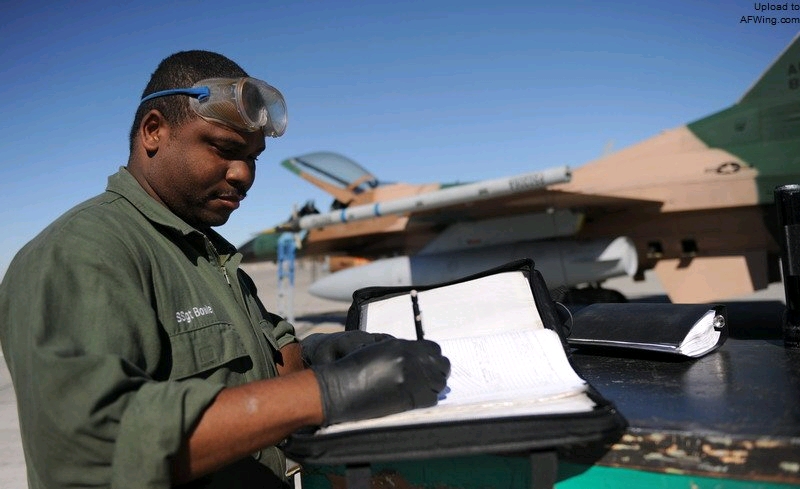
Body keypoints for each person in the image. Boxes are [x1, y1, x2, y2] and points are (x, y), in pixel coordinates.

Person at [0, 50, 450, 489]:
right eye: (224, 149)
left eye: (253, 158)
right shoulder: (83, 252)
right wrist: (325, 392)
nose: (244, 175)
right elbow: (90, 447)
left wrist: (314, 358)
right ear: (154, 131)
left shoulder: (208, 253)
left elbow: (247, 367)